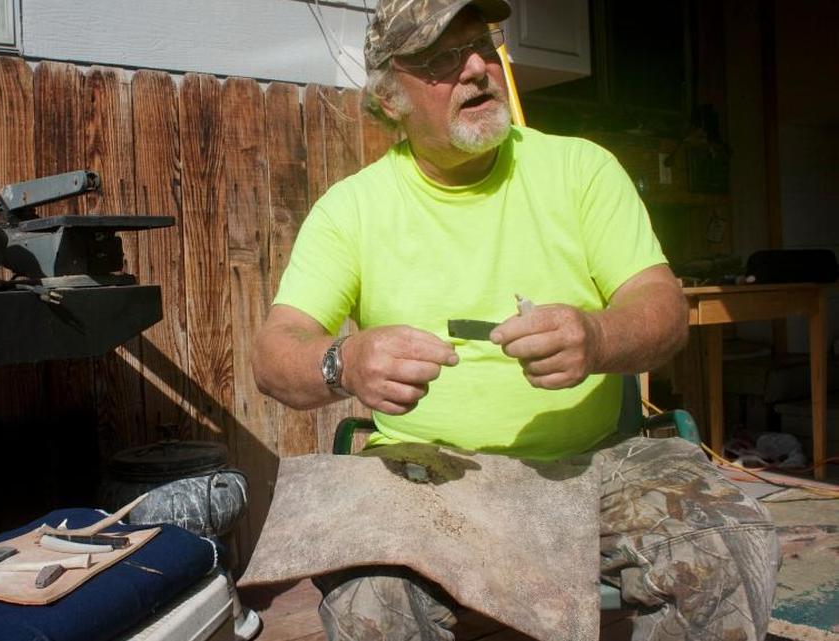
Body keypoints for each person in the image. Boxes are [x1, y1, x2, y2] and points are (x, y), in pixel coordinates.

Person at [250, 1, 780, 639]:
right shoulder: (351, 211)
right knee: (372, 598)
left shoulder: (581, 170)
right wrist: (344, 361)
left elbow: (664, 311)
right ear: (390, 98)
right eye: (444, 58)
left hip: (599, 460)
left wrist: (596, 335)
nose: (477, 67)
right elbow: (275, 354)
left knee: (724, 543)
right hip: (427, 474)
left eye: (482, 43)